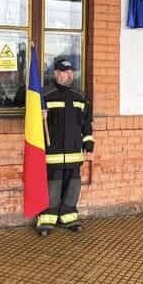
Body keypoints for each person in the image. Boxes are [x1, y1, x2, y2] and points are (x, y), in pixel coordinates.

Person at [36, 56, 93, 235]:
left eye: (70, 72)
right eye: (63, 72)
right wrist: (39, 115)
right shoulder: (45, 95)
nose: (68, 75)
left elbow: (86, 123)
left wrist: (89, 145)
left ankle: (69, 216)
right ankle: (47, 219)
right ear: (55, 73)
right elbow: (33, 124)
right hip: (52, 151)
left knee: (73, 184)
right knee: (53, 184)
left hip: (74, 151)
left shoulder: (80, 96)